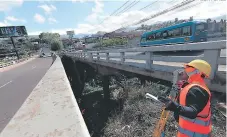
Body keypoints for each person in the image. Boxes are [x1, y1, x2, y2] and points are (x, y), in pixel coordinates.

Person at [161, 59, 212, 137]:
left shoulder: (198, 90)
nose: (184, 70)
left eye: (189, 68)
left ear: (198, 72)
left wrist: (175, 107)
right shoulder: (190, 87)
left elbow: (192, 112)